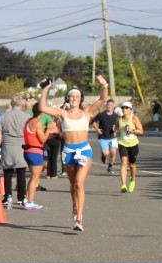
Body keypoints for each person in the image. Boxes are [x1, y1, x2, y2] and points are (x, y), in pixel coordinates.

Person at [37, 75, 110, 231]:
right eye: (72, 96)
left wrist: (104, 85)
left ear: (81, 99)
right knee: (72, 185)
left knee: (79, 183)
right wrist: (45, 89)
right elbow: (42, 107)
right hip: (68, 151)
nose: (74, 98)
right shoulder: (62, 113)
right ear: (67, 99)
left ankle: (79, 219)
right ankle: (75, 206)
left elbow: (103, 99)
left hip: (84, 150)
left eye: (77, 96)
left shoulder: (87, 112)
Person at [0, 95, 30, 209]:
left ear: (12, 103)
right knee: (21, 172)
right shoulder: (27, 117)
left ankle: (8, 196)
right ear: (21, 104)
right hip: (21, 145)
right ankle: (21, 197)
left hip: (8, 145)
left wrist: (0, 143)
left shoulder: (4, 116)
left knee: (8, 172)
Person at [22, 103, 47, 210]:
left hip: (28, 151)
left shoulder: (28, 121)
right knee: (35, 178)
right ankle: (30, 202)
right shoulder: (37, 123)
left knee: (33, 176)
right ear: (42, 112)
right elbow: (43, 139)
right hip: (35, 151)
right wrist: (49, 130)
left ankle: (27, 198)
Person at [117, 103, 144, 193]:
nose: (124, 109)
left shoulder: (134, 118)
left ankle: (132, 180)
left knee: (132, 164)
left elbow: (141, 131)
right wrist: (114, 129)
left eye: (126, 108)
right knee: (124, 162)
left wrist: (133, 130)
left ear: (130, 109)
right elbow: (116, 127)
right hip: (122, 143)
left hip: (133, 144)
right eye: (123, 108)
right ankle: (123, 184)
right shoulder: (119, 119)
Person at [91, 99, 120, 174]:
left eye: (111, 105)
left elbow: (119, 126)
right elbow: (93, 122)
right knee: (106, 153)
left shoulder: (116, 116)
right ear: (106, 106)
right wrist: (97, 129)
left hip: (113, 138)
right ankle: (103, 156)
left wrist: (116, 130)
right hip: (103, 137)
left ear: (113, 106)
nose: (110, 106)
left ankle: (110, 167)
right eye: (108, 105)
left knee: (113, 153)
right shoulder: (101, 115)